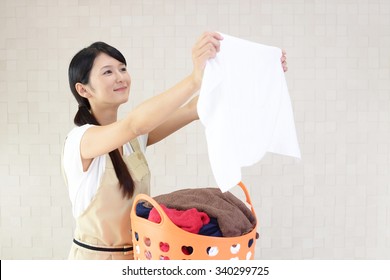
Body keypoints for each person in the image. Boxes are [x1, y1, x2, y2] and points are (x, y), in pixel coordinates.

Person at [62, 31, 288, 260]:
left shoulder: (132, 141)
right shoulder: (80, 140)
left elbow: (193, 109)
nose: (121, 77)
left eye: (122, 68)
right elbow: (134, 124)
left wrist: (260, 73)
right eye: (108, 72)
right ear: (83, 90)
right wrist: (193, 80)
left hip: (140, 257)